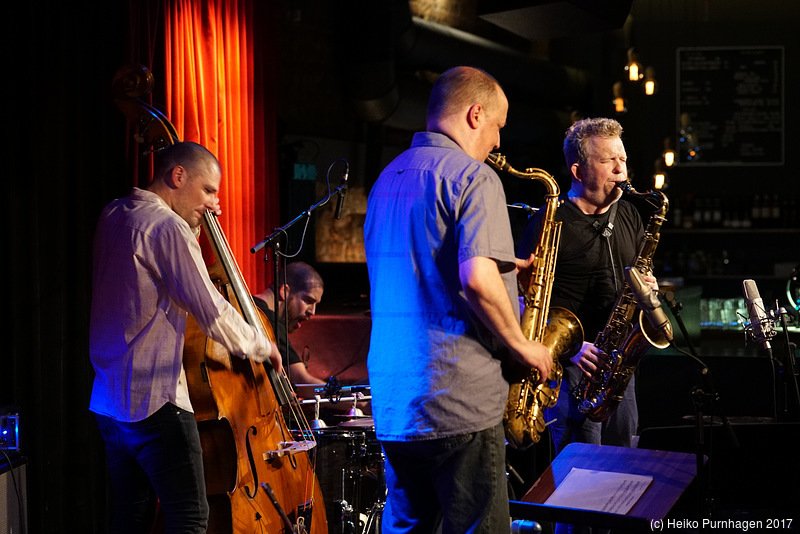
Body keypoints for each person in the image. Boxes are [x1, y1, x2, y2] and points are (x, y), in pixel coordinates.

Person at [363, 66, 552, 534]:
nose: (496, 143)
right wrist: (523, 345)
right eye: (497, 127)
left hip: (395, 403)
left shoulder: (387, 179)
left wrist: (506, 267)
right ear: (475, 114)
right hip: (457, 398)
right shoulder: (474, 178)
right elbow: (475, 280)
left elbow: (423, 265)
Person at [89, 141, 280, 534]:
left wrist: (194, 223)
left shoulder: (113, 213)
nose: (214, 202)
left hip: (109, 404)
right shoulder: (166, 227)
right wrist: (263, 344)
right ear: (178, 176)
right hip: (156, 404)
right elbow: (210, 309)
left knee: (130, 519)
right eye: (208, 190)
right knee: (190, 521)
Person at [517, 117, 659, 531]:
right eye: (609, 161)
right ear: (578, 171)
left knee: (624, 476)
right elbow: (529, 299)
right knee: (581, 487)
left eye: (623, 159)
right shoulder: (550, 221)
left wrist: (646, 288)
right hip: (573, 365)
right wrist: (571, 347)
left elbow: (636, 278)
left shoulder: (632, 216)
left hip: (619, 362)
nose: (621, 170)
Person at [252, 261, 326, 385]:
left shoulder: (248, 305)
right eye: (308, 301)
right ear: (284, 291)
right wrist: (361, 403)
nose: (312, 312)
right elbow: (301, 381)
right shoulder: (268, 320)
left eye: (315, 305)